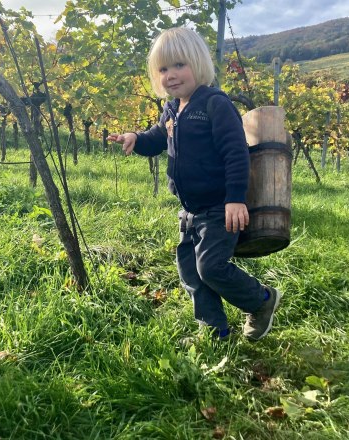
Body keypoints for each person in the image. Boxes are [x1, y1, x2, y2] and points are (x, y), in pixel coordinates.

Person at [108, 27, 280, 341]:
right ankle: (214, 331)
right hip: (190, 210)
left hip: (218, 206)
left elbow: (235, 153)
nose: (171, 75)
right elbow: (157, 138)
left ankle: (261, 300)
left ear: (197, 64)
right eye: (163, 69)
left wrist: (235, 198)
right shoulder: (172, 109)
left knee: (211, 267)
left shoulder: (214, 103)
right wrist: (135, 138)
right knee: (190, 271)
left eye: (179, 65)